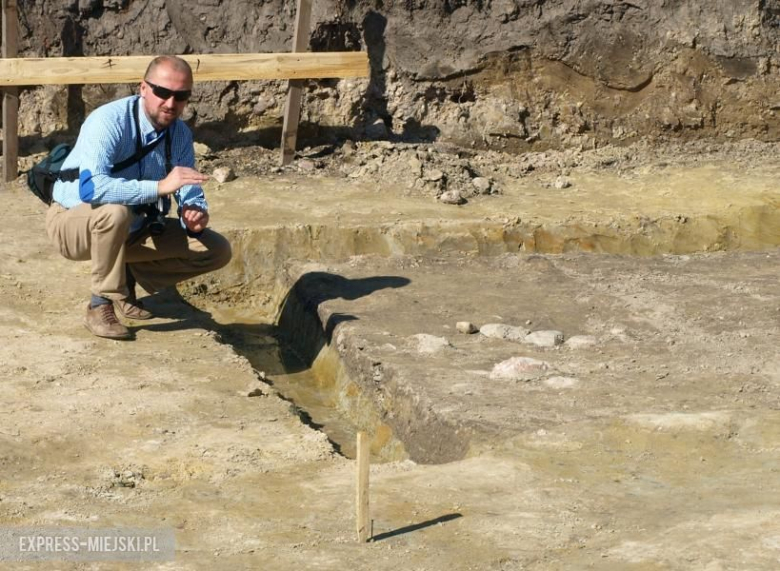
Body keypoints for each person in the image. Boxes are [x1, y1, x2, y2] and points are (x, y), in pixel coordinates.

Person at [46, 55, 232, 340]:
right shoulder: (107, 121)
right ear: (143, 88)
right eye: (162, 92)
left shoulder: (180, 133)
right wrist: (157, 188)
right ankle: (100, 304)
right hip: (73, 224)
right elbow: (91, 189)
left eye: (180, 96)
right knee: (115, 211)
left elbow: (186, 183)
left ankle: (124, 280)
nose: (171, 103)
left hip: (133, 226)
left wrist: (193, 210)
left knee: (216, 249)